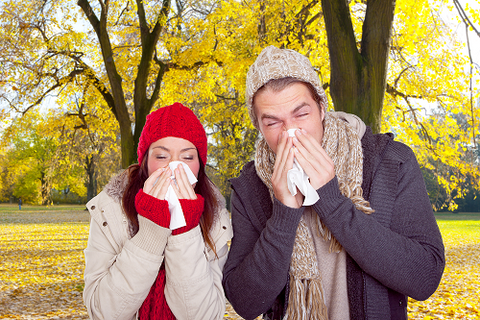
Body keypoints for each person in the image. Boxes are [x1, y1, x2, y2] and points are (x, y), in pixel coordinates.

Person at [222, 46, 445, 320]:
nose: (290, 133)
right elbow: (245, 303)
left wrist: (332, 201)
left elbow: (425, 277)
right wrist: (283, 213)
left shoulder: (390, 161)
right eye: (273, 123)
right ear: (258, 125)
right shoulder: (250, 187)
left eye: (301, 114)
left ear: (322, 108)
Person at [83, 102, 233, 320]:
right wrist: (151, 233)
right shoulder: (111, 209)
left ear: (200, 165)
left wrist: (186, 230)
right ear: (145, 161)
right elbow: (103, 313)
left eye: (187, 157)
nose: (174, 167)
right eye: (162, 156)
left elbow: (204, 316)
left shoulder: (215, 217)